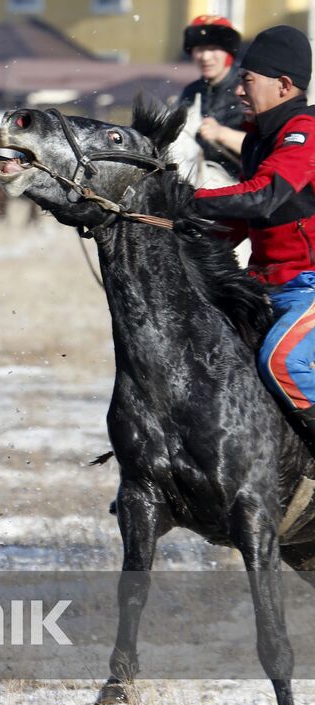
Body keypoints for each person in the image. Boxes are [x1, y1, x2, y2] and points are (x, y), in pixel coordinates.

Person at [192, 26, 315, 427]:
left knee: (282, 363)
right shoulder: (257, 139)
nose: (239, 91)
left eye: (247, 80)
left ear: (282, 85)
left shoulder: (306, 132)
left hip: (308, 286)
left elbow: (261, 196)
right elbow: (243, 221)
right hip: (263, 285)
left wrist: (182, 198)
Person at [178, 15, 247, 180]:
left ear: (229, 53)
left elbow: (270, 146)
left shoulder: (247, 88)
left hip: (243, 187)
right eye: (199, 49)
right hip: (196, 183)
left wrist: (222, 134)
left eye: (213, 48)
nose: (205, 57)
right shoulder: (190, 92)